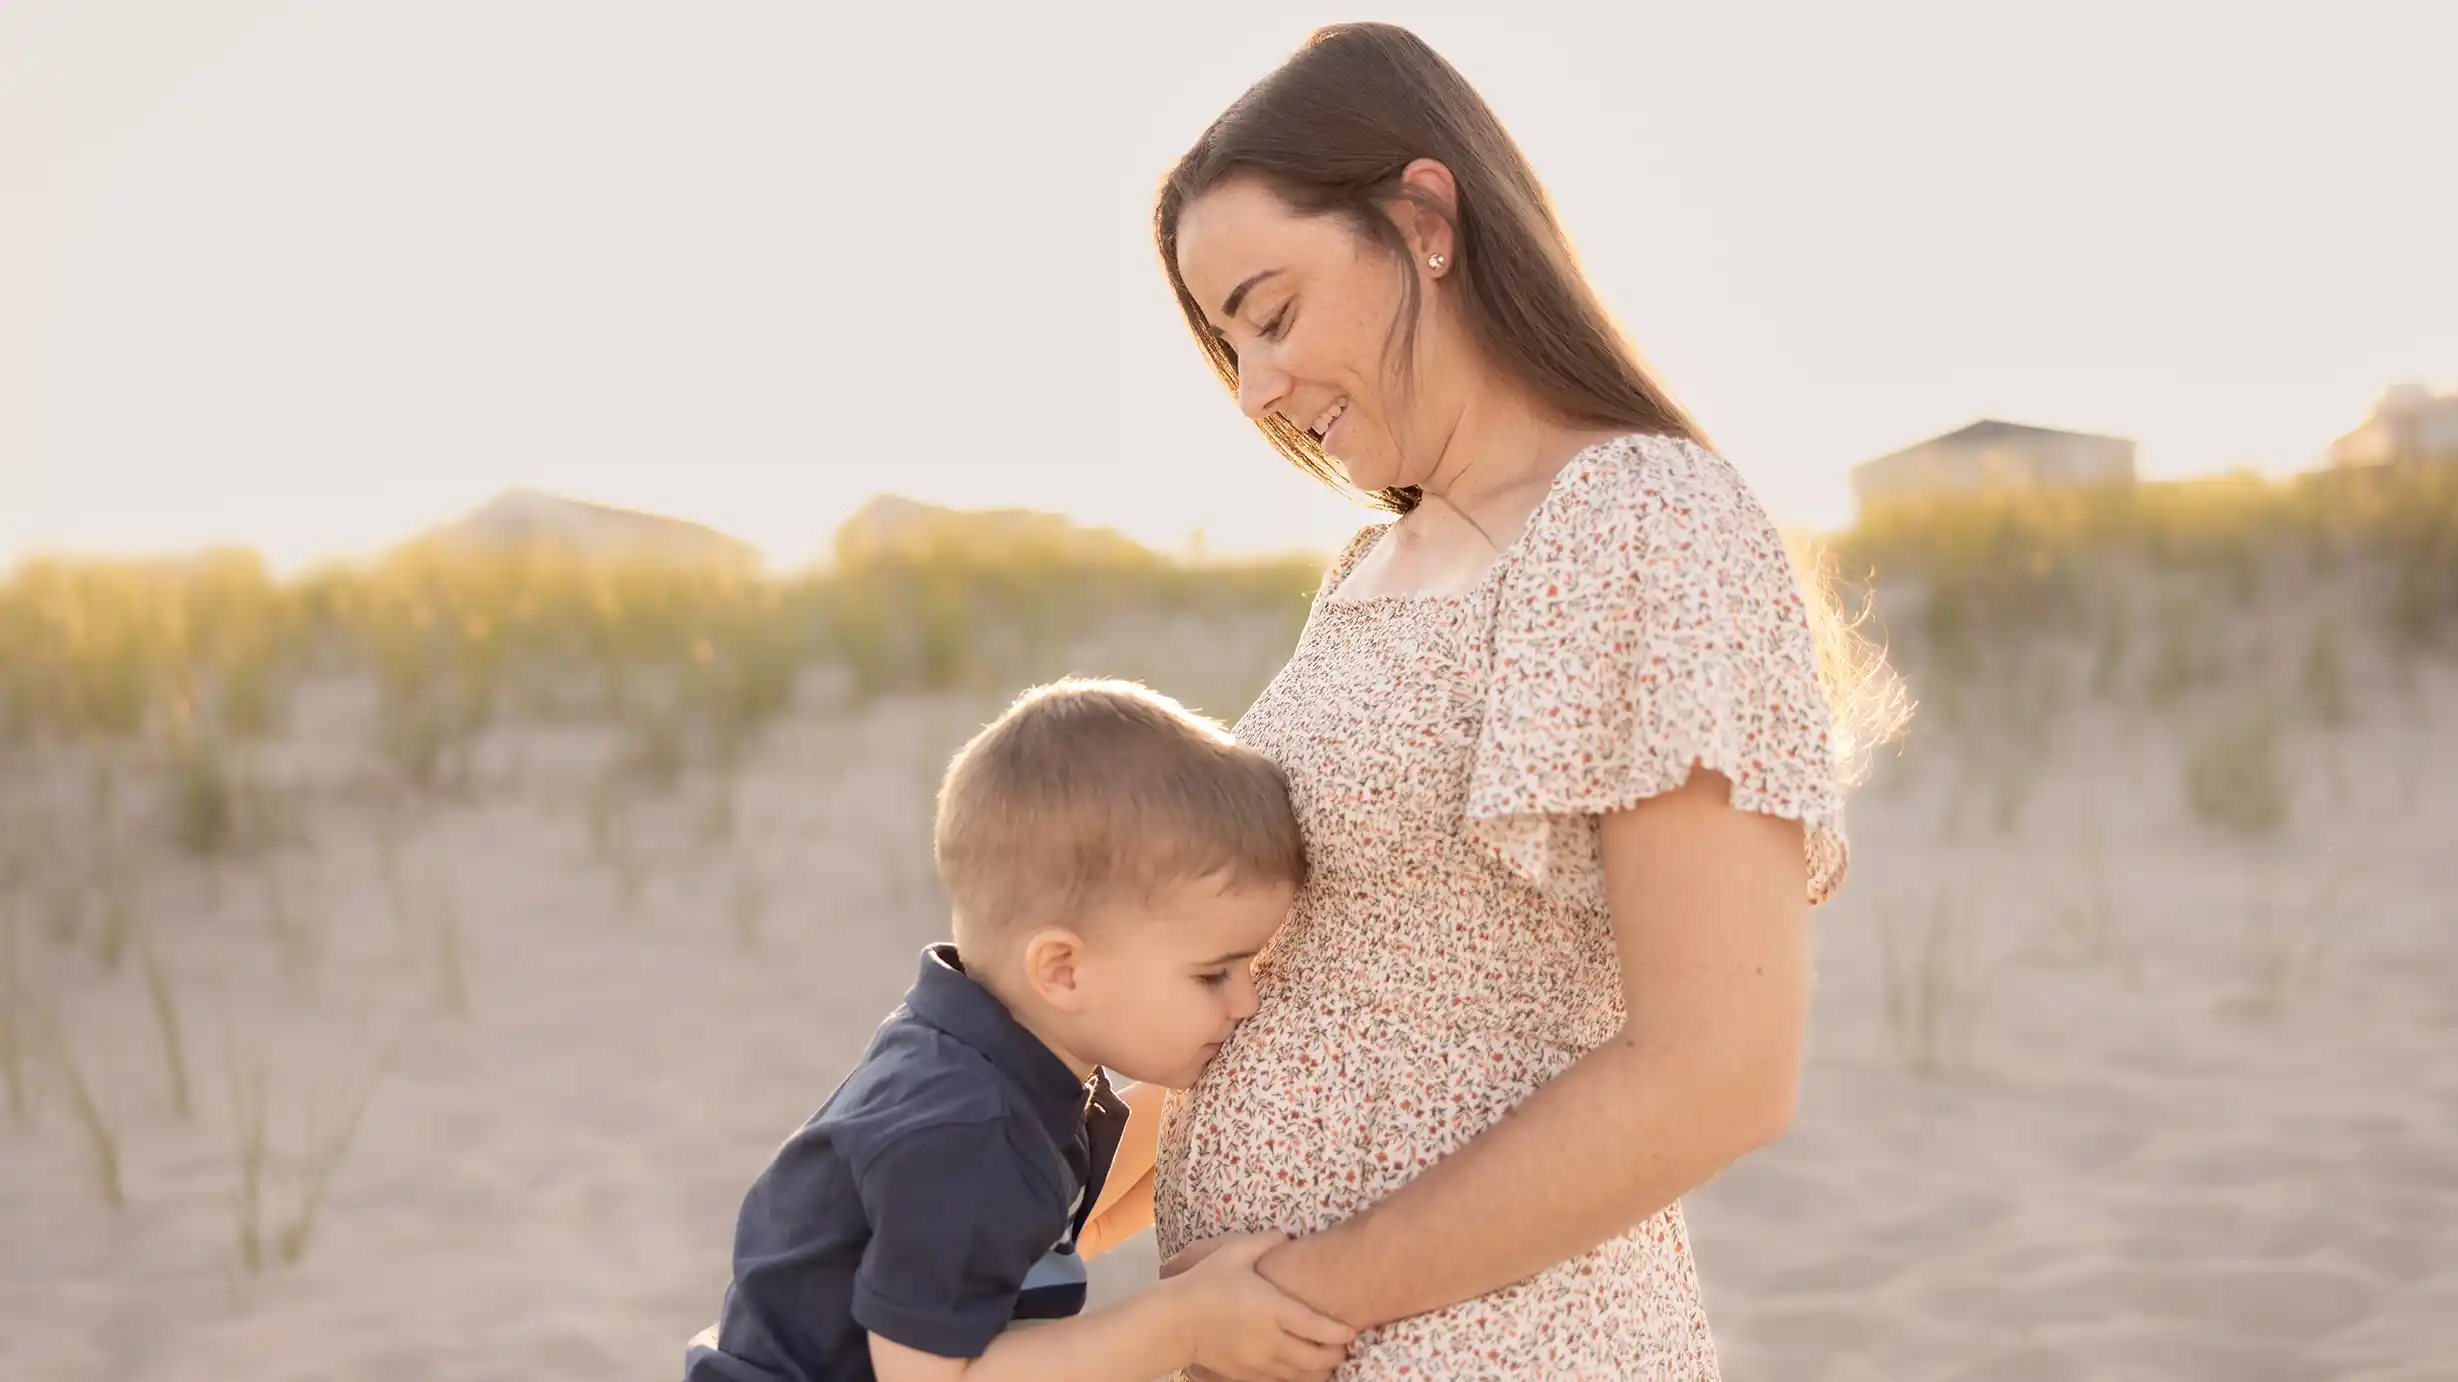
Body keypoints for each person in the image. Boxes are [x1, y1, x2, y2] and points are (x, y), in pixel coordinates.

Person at [1146, 22, 1906, 1380]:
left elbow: (1718, 1070)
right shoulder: (1373, 566)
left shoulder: (1639, 517)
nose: (1254, 388)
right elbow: (1296, 979)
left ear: (1422, 218)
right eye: (1225, 345)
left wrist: (1298, 1294)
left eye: (1269, 314)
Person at [682, 679, 1358, 1382]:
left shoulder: (987, 1052)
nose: (1248, 1000)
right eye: (1215, 973)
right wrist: (1182, 1325)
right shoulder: (966, 1128)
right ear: (1063, 971)